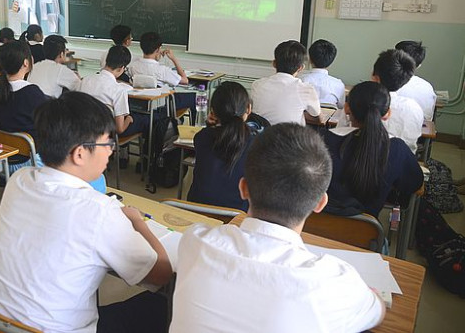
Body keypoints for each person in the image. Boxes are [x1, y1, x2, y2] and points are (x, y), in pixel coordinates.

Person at [0, 91, 172, 333]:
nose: (112, 150)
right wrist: (138, 222)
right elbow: (161, 274)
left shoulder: (20, 180)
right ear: (80, 153)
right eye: (107, 143)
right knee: (161, 306)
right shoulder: (99, 211)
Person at [169, 123, 385, 333]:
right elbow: (378, 310)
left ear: (243, 188)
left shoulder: (195, 241)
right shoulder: (335, 283)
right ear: (320, 203)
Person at [323, 81, 423, 218]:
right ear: (387, 113)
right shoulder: (397, 148)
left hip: (315, 230)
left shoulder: (321, 140)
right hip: (367, 234)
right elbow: (414, 185)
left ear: (346, 108)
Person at [187, 81, 255, 211]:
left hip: (196, 211)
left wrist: (209, 125)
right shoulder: (257, 144)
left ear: (212, 112)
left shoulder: (202, 137)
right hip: (236, 218)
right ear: (248, 108)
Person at [79, 45, 148, 136]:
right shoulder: (119, 90)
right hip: (106, 133)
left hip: (82, 130)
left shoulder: (85, 80)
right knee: (144, 120)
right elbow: (120, 129)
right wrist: (128, 119)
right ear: (122, 68)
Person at [251, 40, 320, 125]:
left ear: (274, 63)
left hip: (261, 136)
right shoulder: (306, 89)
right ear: (301, 68)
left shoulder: (257, 85)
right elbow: (317, 117)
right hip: (290, 137)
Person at [0, 41, 48, 141]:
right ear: (26, 62)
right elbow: (47, 121)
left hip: (5, 148)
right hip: (30, 152)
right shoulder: (31, 92)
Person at [127, 31, 196, 116]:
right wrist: (174, 59)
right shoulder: (162, 70)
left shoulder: (133, 66)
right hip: (162, 106)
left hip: (140, 105)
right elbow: (185, 81)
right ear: (158, 49)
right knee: (194, 97)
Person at [371, 49, 423, 153]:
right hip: (401, 163)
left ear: (375, 78)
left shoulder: (361, 98)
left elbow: (341, 133)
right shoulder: (414, 108)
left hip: (360, 162)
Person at [395, 40, 437, 121]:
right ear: (419, 65)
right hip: (420, 130)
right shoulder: (428, 87)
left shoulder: (388, 83)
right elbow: (428, 117)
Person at [299, 39, 345, 108]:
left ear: (310, 59)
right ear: (331, 62)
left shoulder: (300, 80)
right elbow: (341, 107)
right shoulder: (338, 85)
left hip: (302, 118)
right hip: (328, 118)